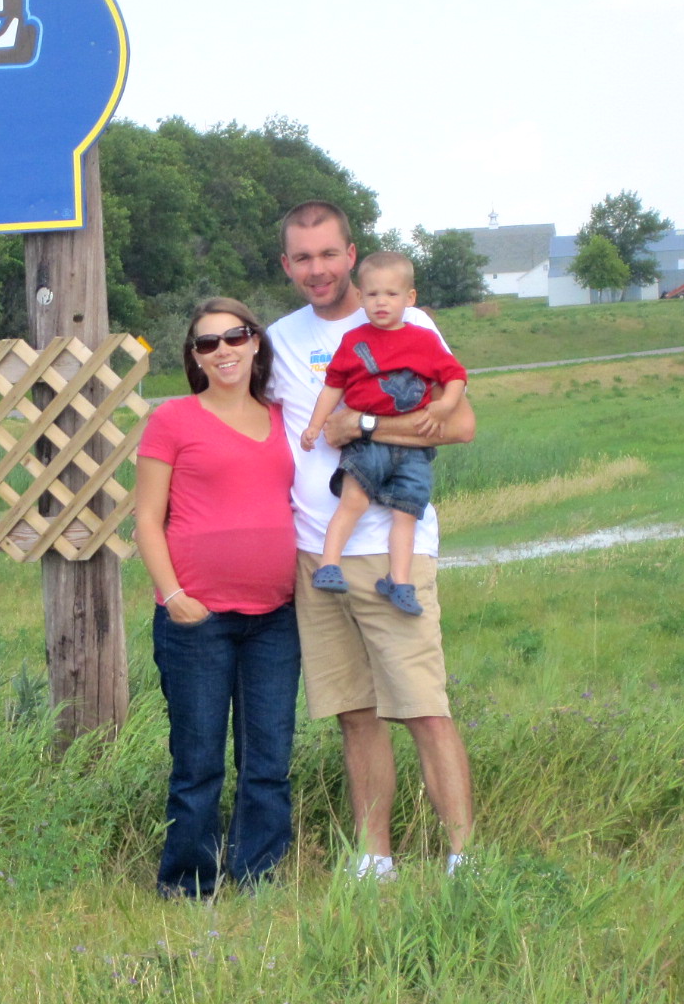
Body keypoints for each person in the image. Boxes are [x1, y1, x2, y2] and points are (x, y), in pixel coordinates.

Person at [266, 201, 475, 881]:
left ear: (351, 256)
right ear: (286, 265)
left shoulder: (410, 325)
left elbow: (460, 425)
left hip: (392, 550)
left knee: (424, 709)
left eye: (329, 254)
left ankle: (464, 859)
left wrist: (360, 425)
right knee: (355, 714)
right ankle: (374, 858)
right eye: (303, 258)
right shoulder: (279, 340)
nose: (318, 269)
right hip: (315, 554)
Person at [134, 297, 301, 898]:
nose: (223, 350)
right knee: (198, 760)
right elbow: (147, 520)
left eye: (234, 337)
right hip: (196, 618)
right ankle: (188, 883)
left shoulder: (283, 416)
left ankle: (257, 874)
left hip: (276, 617)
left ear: (255, 342)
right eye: (207, 343)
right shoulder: (172, 419)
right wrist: (174, 594)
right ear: (195, 358)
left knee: (268, 758)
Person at [299, 251, 467, 617]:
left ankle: (399, 581)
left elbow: (455, 376)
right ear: (360, 297)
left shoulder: (424, 340)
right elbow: (332, 387)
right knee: (354, 500)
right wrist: (314, 425)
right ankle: (329, 565)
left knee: (405, 513)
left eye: (391, 294)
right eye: (373, 294)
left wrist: (445, 405)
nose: (381, 302)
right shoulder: (353, 341)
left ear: (409, 297)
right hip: (366, 445)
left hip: (413, 449)